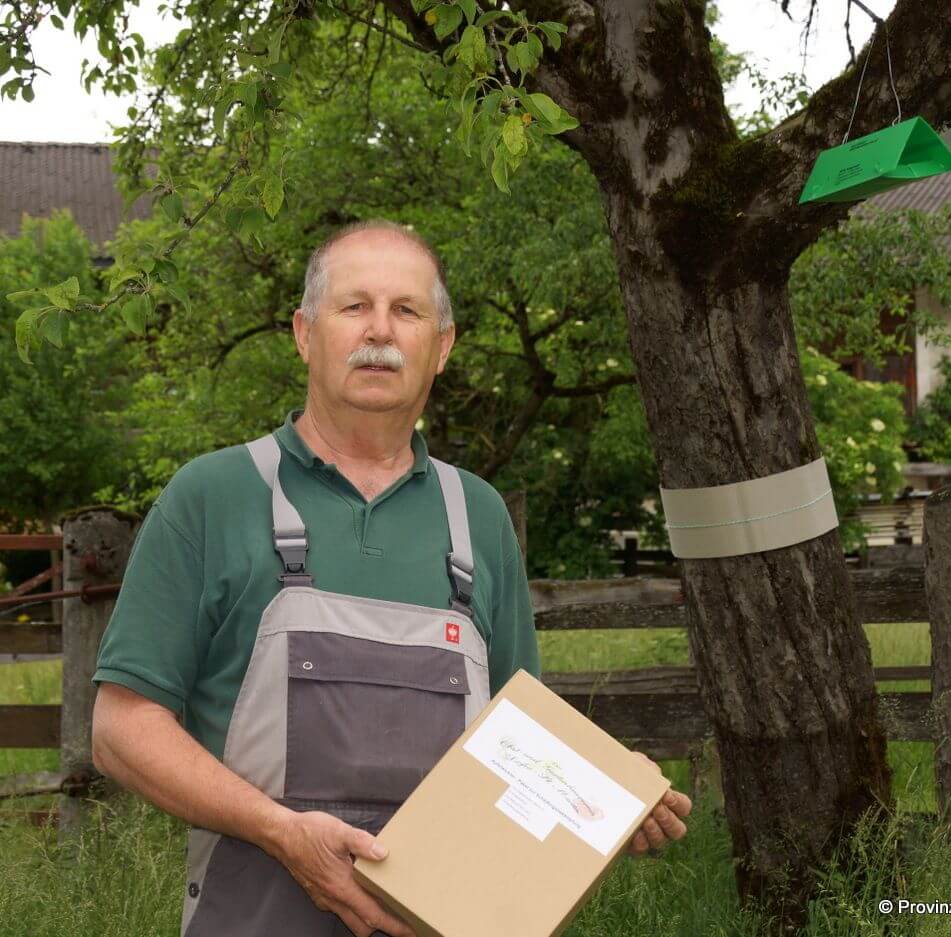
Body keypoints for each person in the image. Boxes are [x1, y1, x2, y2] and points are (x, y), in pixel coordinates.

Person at [90, 220, 690, 937]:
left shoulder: (478, 516)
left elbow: (520, 744)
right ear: (304, 333)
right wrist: (281, 831)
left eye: (406, 310)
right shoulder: (212, 495)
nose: (380, 330)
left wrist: (608, 797)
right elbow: (121, 729)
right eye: (355, 306)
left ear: (442, 346)